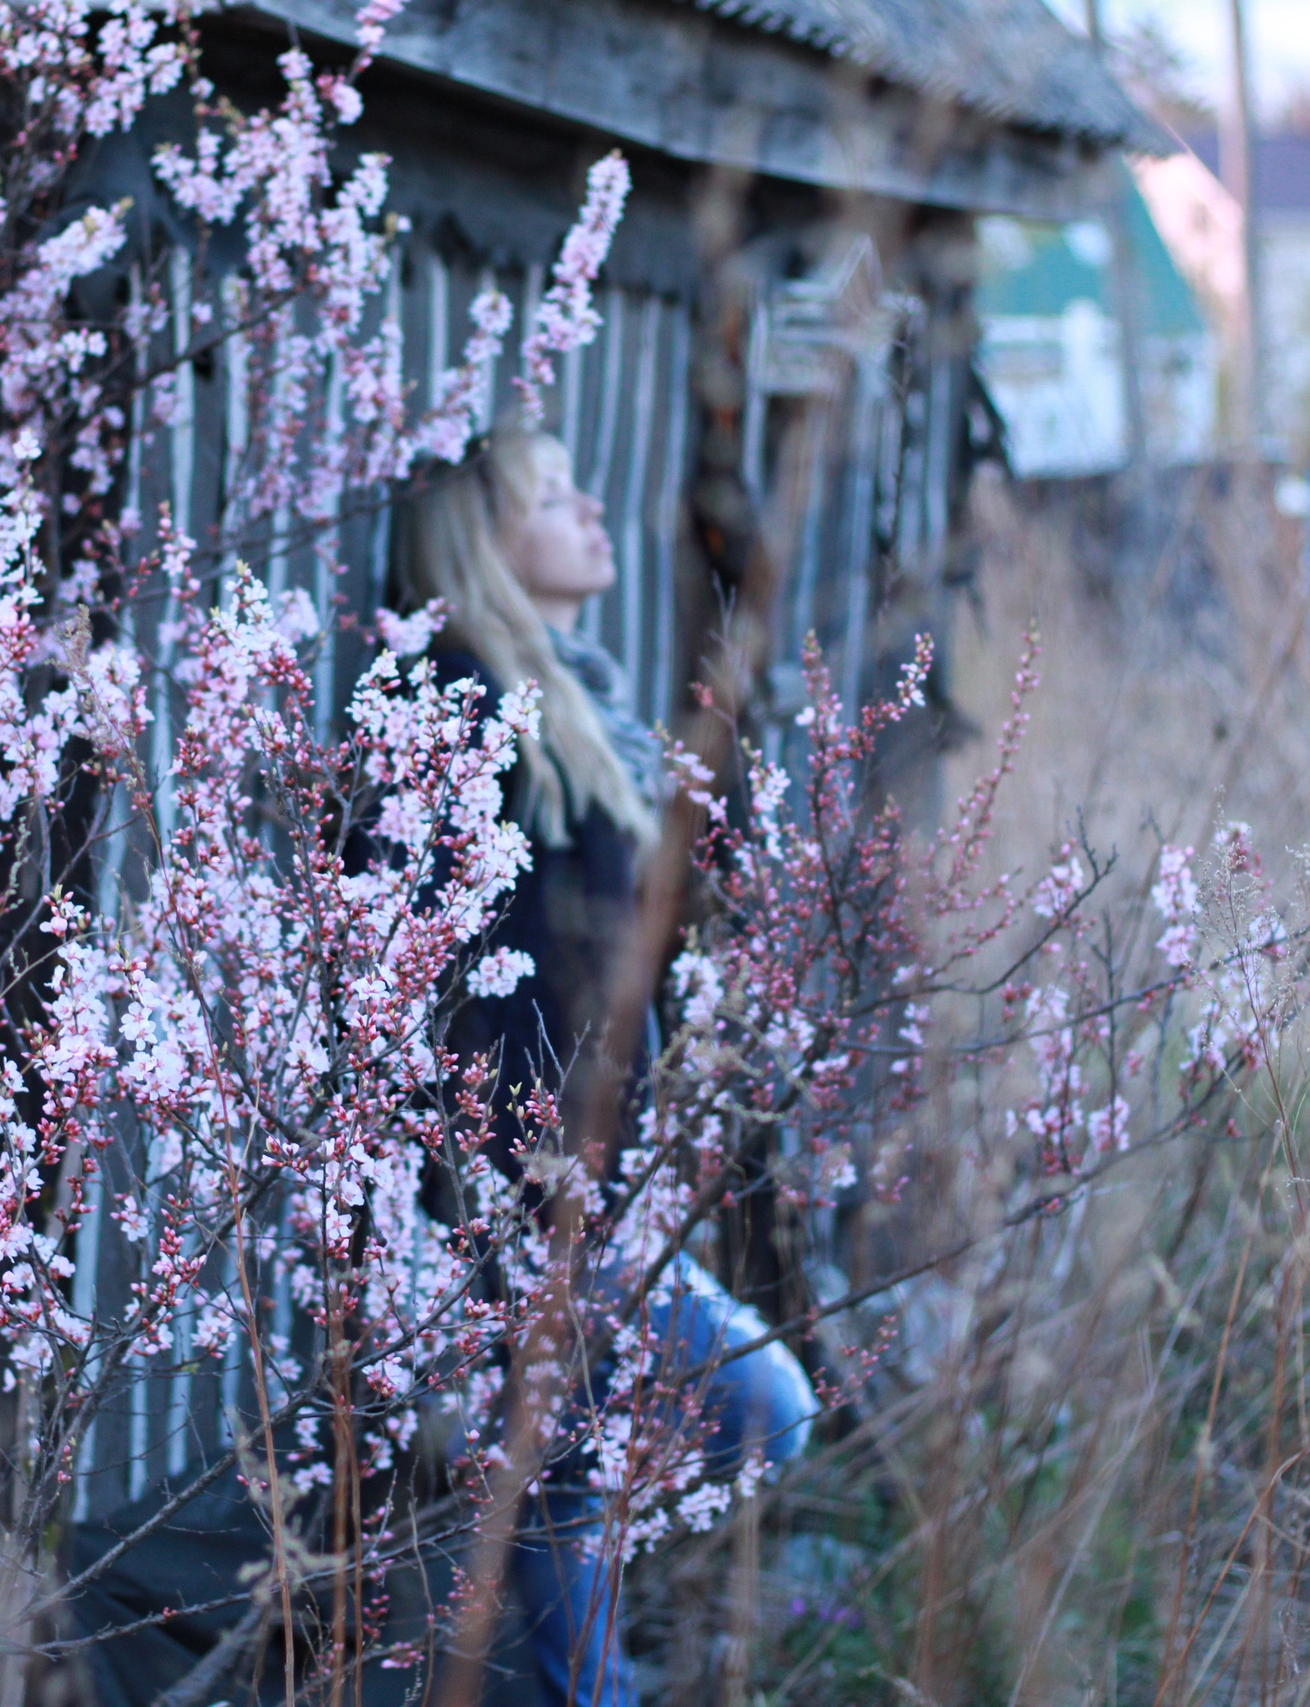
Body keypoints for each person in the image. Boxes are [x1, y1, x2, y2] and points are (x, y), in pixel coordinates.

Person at [389, 429, 818, 1707]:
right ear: (483, 537)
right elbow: (408, 946)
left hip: (594, 1188)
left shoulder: (579, 703)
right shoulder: (461, 703)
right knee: (749, 1412)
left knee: (587, 1475)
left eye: (587, 480)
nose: (592, 508)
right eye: (551, 494)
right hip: (520, 1194)